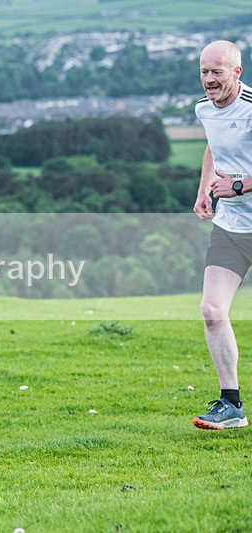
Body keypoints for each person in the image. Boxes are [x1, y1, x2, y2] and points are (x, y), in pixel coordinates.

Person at [192, 40, 252, 430]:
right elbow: (213, 148)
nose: (210, 80)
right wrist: (204, 188)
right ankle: (231, 405)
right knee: (212, 311)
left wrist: (243, 185)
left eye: (217, 72)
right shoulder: (202, 109)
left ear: (237, 72)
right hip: (231, 228)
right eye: (204, 72)